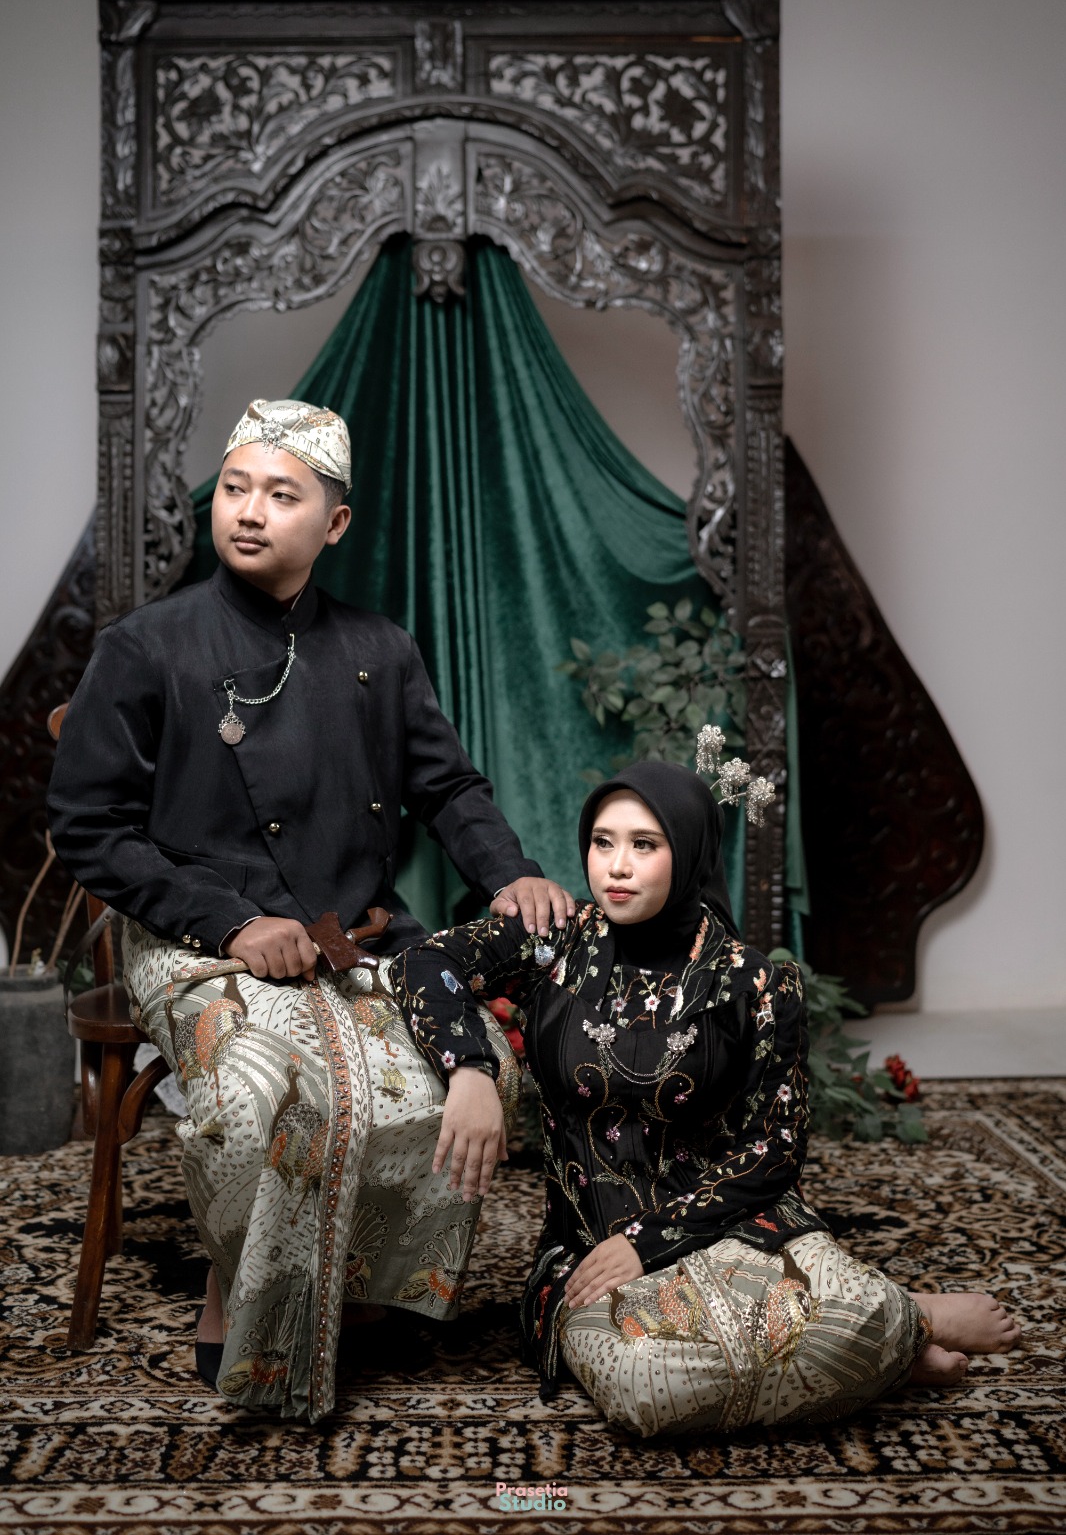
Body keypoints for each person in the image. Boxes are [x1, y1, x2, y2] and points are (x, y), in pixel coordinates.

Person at [47, 397, 573, 1422]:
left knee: (461, 1077)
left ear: (333, 523)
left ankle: (362, 1283)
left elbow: (449, 789)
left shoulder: (380, 646)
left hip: (352, 928)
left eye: (281, 496)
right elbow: (88, 827)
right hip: (193, 934)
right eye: (235, 489)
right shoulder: (145, 646)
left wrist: (509, 874)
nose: (249, 511)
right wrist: (231, 923)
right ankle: (243, 1289)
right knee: (261, 1097)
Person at [395, 761, 1022, 1436]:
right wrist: (471, 1071)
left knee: (840, 1315)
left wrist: (648, 1241)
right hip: (590, 1251)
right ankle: (891, 1341)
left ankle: (899, 1323)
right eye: (603, 842)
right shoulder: (555, 944)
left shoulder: (754, 983)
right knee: (647, 1388)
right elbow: (420, 963)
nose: (616, 865)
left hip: (734, 1226)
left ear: (690, 850)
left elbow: (776, 1150)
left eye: (645, 844)